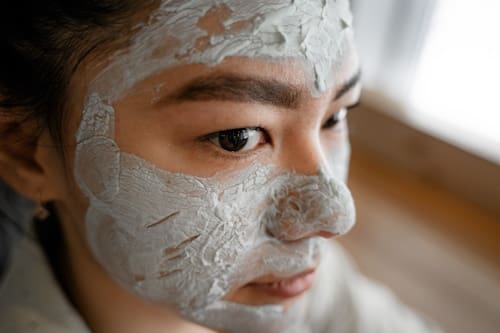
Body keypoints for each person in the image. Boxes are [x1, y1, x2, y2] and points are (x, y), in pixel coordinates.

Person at [0, 1, 440, 332]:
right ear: (25, 152)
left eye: (335, 117)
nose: (334, 217)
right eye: (237, 137)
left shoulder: (306, 280)